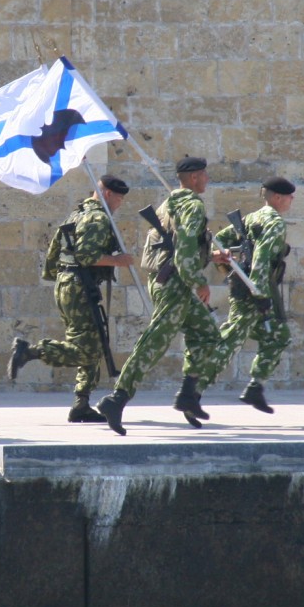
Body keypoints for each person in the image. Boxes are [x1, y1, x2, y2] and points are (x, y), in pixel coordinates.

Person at [96, 157, 227, 435]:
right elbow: (186, 250)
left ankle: (188, 395)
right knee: (154, 342)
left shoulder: (169, 204)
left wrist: (213, 255)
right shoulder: (191, 204)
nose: (207, 179)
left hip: (169, 280)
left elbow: (178, 247)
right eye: (204, 175)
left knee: (207, 333)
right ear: (192, 178)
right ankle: (117, 399)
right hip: (176, 284)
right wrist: (199, 281)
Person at [9, 175, 135, 423]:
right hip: (79, 286)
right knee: (86, 351)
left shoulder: (76, 214)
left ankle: (81, 403)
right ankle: (31, 352)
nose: (120, 203)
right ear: (107, 193)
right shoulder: (97, 217)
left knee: (94, 342)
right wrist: (117, 261)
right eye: (119, 198)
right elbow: (88, 256)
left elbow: (54, 253)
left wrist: (64, 280)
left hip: (71, 284)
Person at [192, 176, 295, 413]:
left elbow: (219, 240)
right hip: (255, 288)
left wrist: (227, 255)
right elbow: (262, 257)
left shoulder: (251, 218)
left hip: (248, 284)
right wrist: (259, 293)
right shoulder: (275, 222)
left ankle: (255, 388)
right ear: (277, 197)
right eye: (289, 196)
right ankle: (194, 390)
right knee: (231, 340)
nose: (291, 200)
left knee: (278, 335)